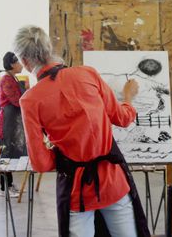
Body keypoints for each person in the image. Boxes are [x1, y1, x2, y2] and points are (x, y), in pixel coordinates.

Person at [13, 25, 150, 237]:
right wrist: (128, 97)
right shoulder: (88, 74)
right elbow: (122, 119)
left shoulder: (29, 100)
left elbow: (41, 163)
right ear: (50, 47)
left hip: (76, 189)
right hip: (113, 182)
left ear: (23, 61)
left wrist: (62, 151)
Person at [0, 51, 28, 197]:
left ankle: (9, 184)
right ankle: (4, 188)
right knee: (6, 154)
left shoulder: (12, 77)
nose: (22, 65)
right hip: (6, 122)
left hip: (12, 120)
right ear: (13, 64)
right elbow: (16, 100)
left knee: (10, 153)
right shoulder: (6, 80)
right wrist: (27, 92)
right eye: (19, 62)